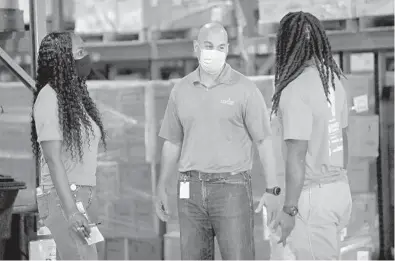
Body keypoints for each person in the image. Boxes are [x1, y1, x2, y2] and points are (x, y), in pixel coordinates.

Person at [155, 22, 281, 260]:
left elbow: (264, 142)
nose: (215, 52)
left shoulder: (245, 90)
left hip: (231, 189)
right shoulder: (181, 90)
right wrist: (162, 185)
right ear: (196, 48)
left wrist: (273, 189)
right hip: (189, 189)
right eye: (209, 46)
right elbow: (172, 141)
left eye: (221, 47)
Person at [270, 12, 352, 260]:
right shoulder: (334, 81)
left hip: (311, 200)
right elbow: (344, 140)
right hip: (338, 191)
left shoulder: (295, 90)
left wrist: (289, 210)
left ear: (285, 45)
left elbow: (296, 156)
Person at [30, 32, 107, 260]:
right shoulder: (48, 98)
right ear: (62, 59)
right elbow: (53, 160)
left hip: (81, 195)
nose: (86, 57)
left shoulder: (75, 99)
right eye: (80, 52)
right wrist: (71, 210)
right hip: (63, 198)